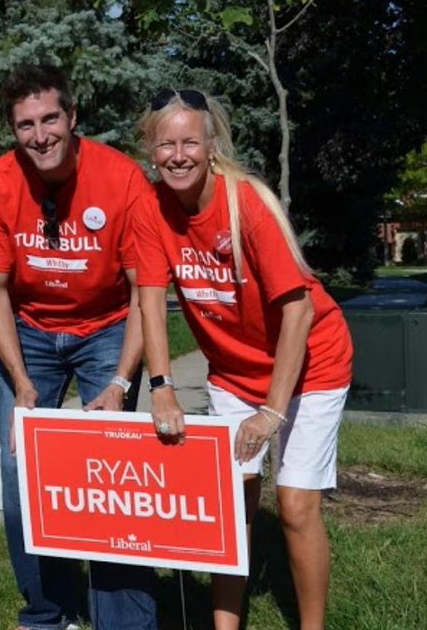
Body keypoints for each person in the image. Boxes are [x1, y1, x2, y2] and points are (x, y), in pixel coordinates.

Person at [132, 89, 353, 630]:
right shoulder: (149, 208)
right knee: (232, 505)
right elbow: (151, 303)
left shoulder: (246, 203)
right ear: (151, 150)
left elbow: (299, 312)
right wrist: (161, 386)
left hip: (310, 362)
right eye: (166, 145)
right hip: (233, 371)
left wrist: (272, 413)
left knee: (296, 504)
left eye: (190, 142)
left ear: (211, 146)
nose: (177, 155)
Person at [0, 65, 158, 630]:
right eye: (25, 125)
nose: (40, 134)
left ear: (73, 118)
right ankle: (48, 612)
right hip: (31, 332)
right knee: (17, 466)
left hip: (107, 329)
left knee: (112, 472)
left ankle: (124, 620)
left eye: (50, 119)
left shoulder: (121, 179)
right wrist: (22, 383)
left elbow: (144, 289)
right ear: (13, 130)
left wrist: (122, 383)